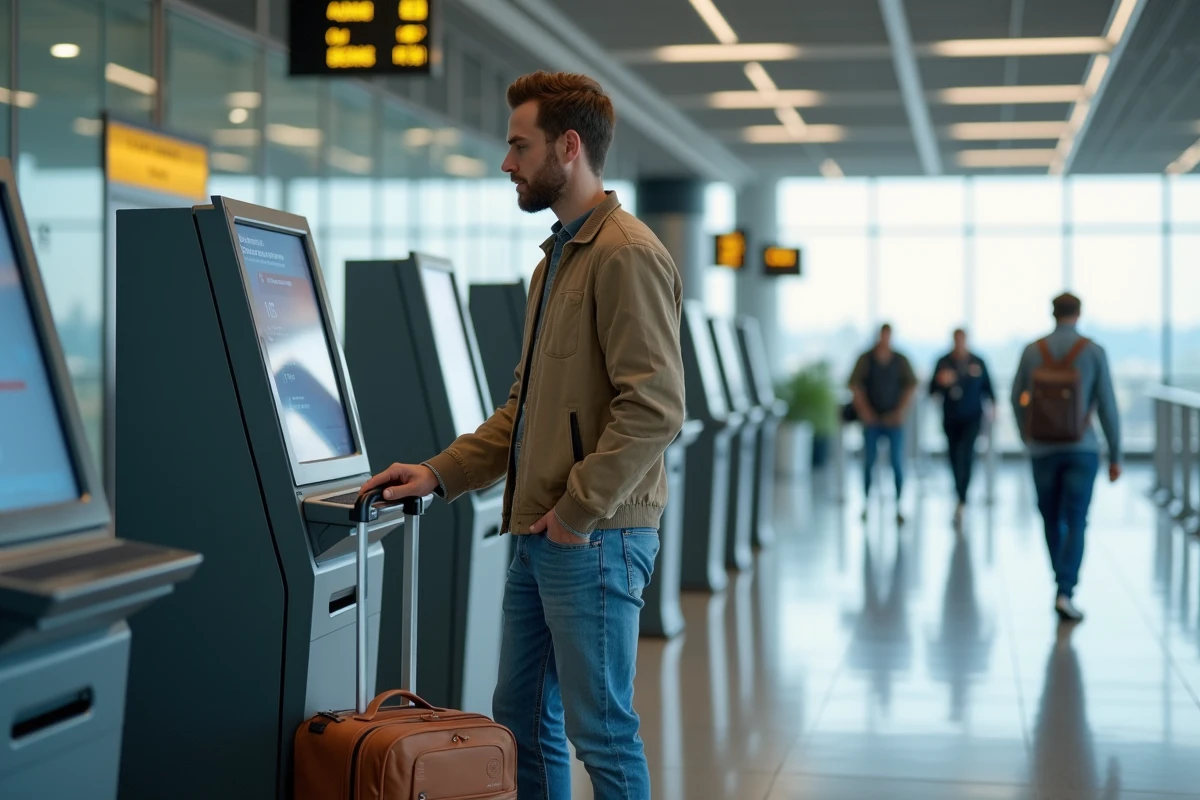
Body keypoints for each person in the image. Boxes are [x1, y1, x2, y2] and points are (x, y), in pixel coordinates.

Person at [361, 71, 685, 799]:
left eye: (519, 145)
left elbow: (656, 407)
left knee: (600, 730)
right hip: (542, 533)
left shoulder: (624, 254)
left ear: (568, 148)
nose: (507, 162)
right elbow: (523, 411)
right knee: (521, 718)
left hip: (593, 537)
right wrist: (438, 472)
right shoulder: (556, 263)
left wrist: (575, 515)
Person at [1011, 293, 1121, 623]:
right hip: (1082, 448)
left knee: (1050, 516)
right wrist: (1115, 455)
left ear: (1053, 313)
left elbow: (1016, 397)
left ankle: (1059, 576)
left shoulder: (1032, 351)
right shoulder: (1093, 351)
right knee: (1076, 519)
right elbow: (1107, 405)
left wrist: (1027, 435)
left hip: (1042, 449)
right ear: (1079, 313)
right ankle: (1065, 589)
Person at [849, 323, 918, 524]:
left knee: (896, 463)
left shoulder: (900, 360)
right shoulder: (866, 359)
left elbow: (911, 386)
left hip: (894, 421)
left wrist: (899, 412)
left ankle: (898, 505)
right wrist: (865, 412)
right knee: (869, 462)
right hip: (871, 422)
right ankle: (866, 503)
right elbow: (855, 386)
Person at [930, 328, 995, 526]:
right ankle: (959, 494)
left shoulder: (977, 361)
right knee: (954, 457)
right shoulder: (943, 362)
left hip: (972, 418)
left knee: (966, 456)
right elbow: (931, 390)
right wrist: (942, 382)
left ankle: (962, 498)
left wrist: (994, 408)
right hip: (951, 418)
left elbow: (988, 388)